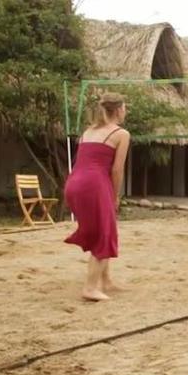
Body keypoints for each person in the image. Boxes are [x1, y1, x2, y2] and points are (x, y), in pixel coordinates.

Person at [64, 93, 131, 301]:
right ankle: (90, 287)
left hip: (73, 184)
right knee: (104, 233)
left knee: (101, 229)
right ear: (119, 110)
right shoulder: (121, 133)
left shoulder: (88, 131)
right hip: (95, 184)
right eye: (125, 108)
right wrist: (115, 195)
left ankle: (106, 280)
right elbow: (117, 170)